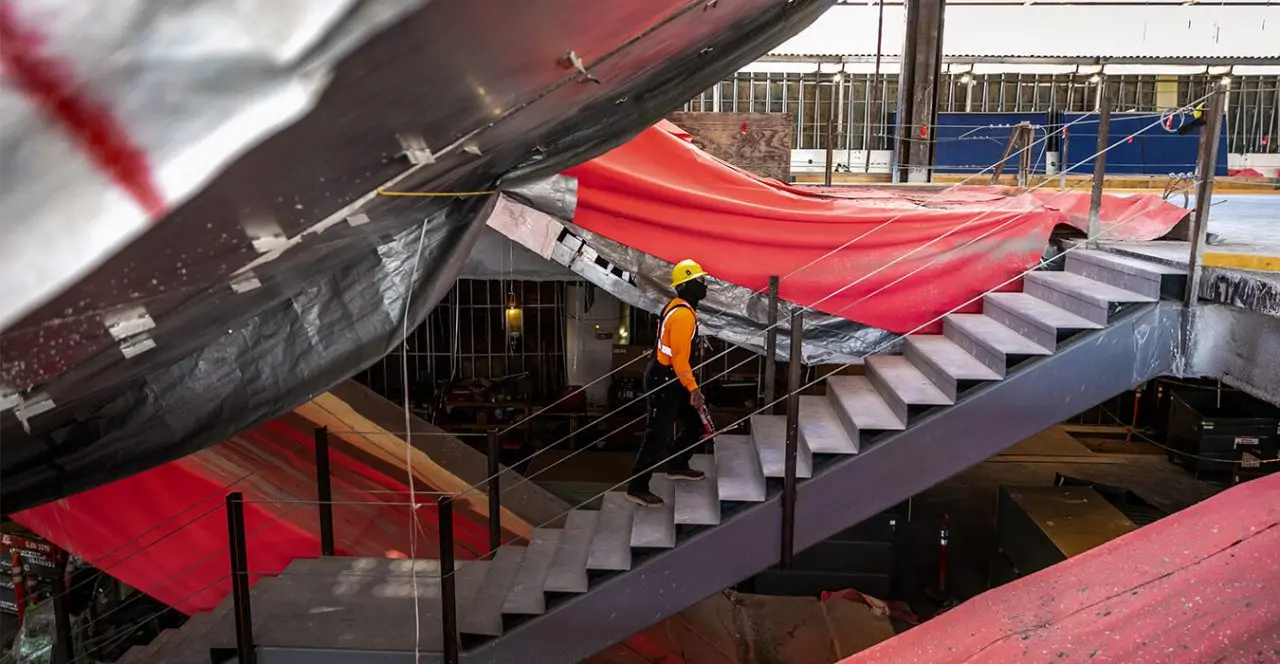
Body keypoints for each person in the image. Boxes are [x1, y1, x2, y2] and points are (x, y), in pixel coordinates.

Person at [626, 259, 711, 507]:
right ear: (688, 285)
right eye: (700, 280)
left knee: (694, 421)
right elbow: (680, 360)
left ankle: (677, 465)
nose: (704, 285)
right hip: (665, 378)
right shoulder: (683, 314)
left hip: (670, 376)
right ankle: (637, 487)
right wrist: (694, 389)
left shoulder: (677, 306)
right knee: (657, 435)